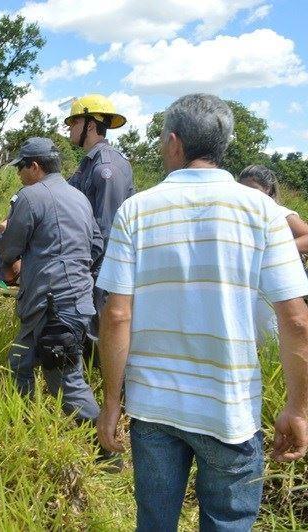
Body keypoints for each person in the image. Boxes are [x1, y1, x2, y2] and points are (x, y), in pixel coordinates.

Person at [96, 93, 308, 531]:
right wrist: (298, 409)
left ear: (175, 143)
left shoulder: (136, 210)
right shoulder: (263, 211)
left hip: (153, 408)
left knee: (154, 522)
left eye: (160, 141)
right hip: (229, 409)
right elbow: (297, 320)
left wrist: (112, 403)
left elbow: (116, 315)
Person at [0, 137, 106, 435]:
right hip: (72, 301)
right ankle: (23, 427)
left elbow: (9, 250)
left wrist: (0, 236)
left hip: (53, 308)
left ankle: (106, 450)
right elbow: (97, 245)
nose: (19, 174)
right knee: (19, 361)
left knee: (66, 382)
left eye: (21, 167)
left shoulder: (31, 197)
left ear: (34, 166)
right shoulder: (79, 197)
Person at [65, 94, 134, 350]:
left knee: (100, 338)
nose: (70, 130)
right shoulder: (88, 163)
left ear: (90, 125)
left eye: (73, 123)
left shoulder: (107, 167)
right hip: (90, 263)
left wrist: (88, 267)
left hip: (102, 267)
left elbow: (106, 228)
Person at [239, 164, 308, 343]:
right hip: (251, 284)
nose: (249, 195)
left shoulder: (280, 213)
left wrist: (278, 248)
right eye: (243, 189)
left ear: (268, 189)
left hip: (274, 284)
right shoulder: (242, 213)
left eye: (253, 190)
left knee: (272, 332)